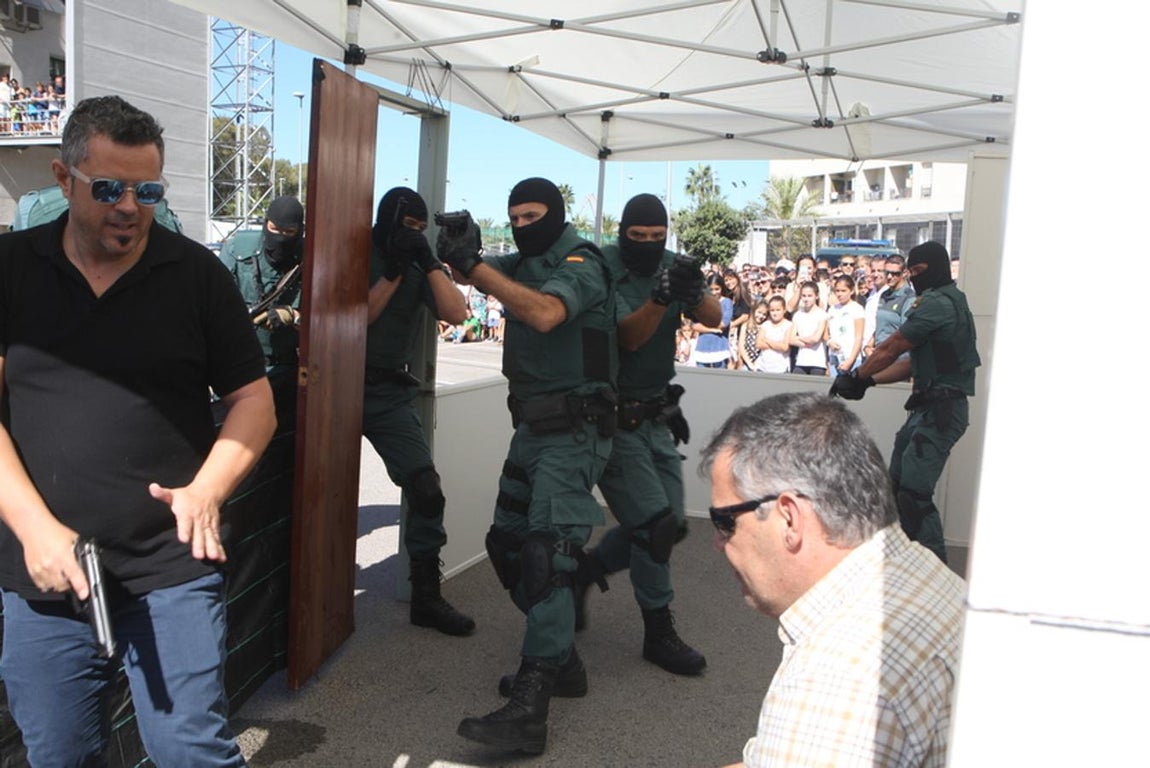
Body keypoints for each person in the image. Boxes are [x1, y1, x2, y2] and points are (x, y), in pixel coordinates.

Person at [0, 95, 275, 766]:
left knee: (189, 749)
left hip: (168, 566)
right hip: (45, 574)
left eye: (148, 189)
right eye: (110, 188)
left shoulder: (197, 276)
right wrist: (34, 528)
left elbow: (254, 401)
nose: (130, 205)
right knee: (59, 754)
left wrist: (209, 489)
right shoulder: (10, 268)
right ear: (64, 180)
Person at [440, 177, 617, 754]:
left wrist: (475, 266)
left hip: (575, 432)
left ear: (556, 214)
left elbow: (545, 313)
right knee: (508, 545)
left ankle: (531, 707)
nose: (521, 225)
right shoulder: (522, 260)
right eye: (513, 217)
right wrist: (440, 248)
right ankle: (563, 660)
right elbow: (473, 271)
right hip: (532, 430)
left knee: (549, 557)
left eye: (532, 215)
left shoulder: (581, 260)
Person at [702, 392, 965, 768]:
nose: (716, 543)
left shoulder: (834, 677)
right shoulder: (919, 573)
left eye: (725, 522)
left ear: (789, 518)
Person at [575, 193, 719, 677]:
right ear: (621, 233)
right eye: (638, 237)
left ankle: (588, 571)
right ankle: (658, 632)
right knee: (655, 526)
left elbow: (714, 317)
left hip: (655, 415)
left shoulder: (672, 263)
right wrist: (660, 297)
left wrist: (692, 290)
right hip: (612, 418)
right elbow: (629, 337)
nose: (648, 246)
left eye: (657, 239)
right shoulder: (603, 265)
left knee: (672, 524)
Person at [362, 186, 476, 636]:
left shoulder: (417, 263)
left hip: (388, 392)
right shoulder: (358, 253)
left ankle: (426, 596)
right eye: (404, 227)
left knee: (426, 488)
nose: (410, 234)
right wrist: (391, 273)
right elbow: (359, 318)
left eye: (418, 228)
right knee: (313, 498)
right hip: (337, 387)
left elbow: (458, 312)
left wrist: (428, 262)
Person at [831, 241, 980, 563]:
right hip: (926, 407)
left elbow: (892, 347)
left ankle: (933, 567)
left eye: (918, 271)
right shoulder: (945, 302)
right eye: (910, 271)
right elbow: (911, 364)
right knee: (898, 485)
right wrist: (868, 380)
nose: (913, 277)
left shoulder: (939, 303)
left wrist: (857, 377)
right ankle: (904, 560)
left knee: (914, 492)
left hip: (941, 410)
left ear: (936, 268)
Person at [218, 195, 305, 422]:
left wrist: (294, 317)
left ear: (300, 231)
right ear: (266, 224)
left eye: (289, 233)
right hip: (238, 370)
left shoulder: (312, 259)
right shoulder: (238, 248)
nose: (280, 238)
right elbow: (210, 305)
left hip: (287, 372)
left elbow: (331, 323)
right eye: (274, 229)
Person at [825, 275, 865, 375]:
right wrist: (829, 342)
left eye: (843, 291)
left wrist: (850, 361)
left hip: (851, 357)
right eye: (837, 291)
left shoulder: (857, 309)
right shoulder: (832, 309)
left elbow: (859, 337)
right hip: (835, 357)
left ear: (851, 291)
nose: (840, 294)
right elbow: (825, 332)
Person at [787, 280, 828, 375]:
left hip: (817, 362)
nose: (806, 299)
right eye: (804, 296)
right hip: (801, 361)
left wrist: (799, 338)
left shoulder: (822, 314)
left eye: (810, 296)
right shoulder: (797, 315)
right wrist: (805, 344)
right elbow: (791, 339)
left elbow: (815, 338)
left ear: (816, 296)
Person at [692, 273, 732, 368]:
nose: (714, 292)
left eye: (717, 289)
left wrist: (704, 323)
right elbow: (695, 326)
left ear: (722, 288)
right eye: (711, 289)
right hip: (702, 348)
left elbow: (723, 324)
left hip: (720, 348)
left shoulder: (727, 303)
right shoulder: (702, 303)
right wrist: (712, 330)